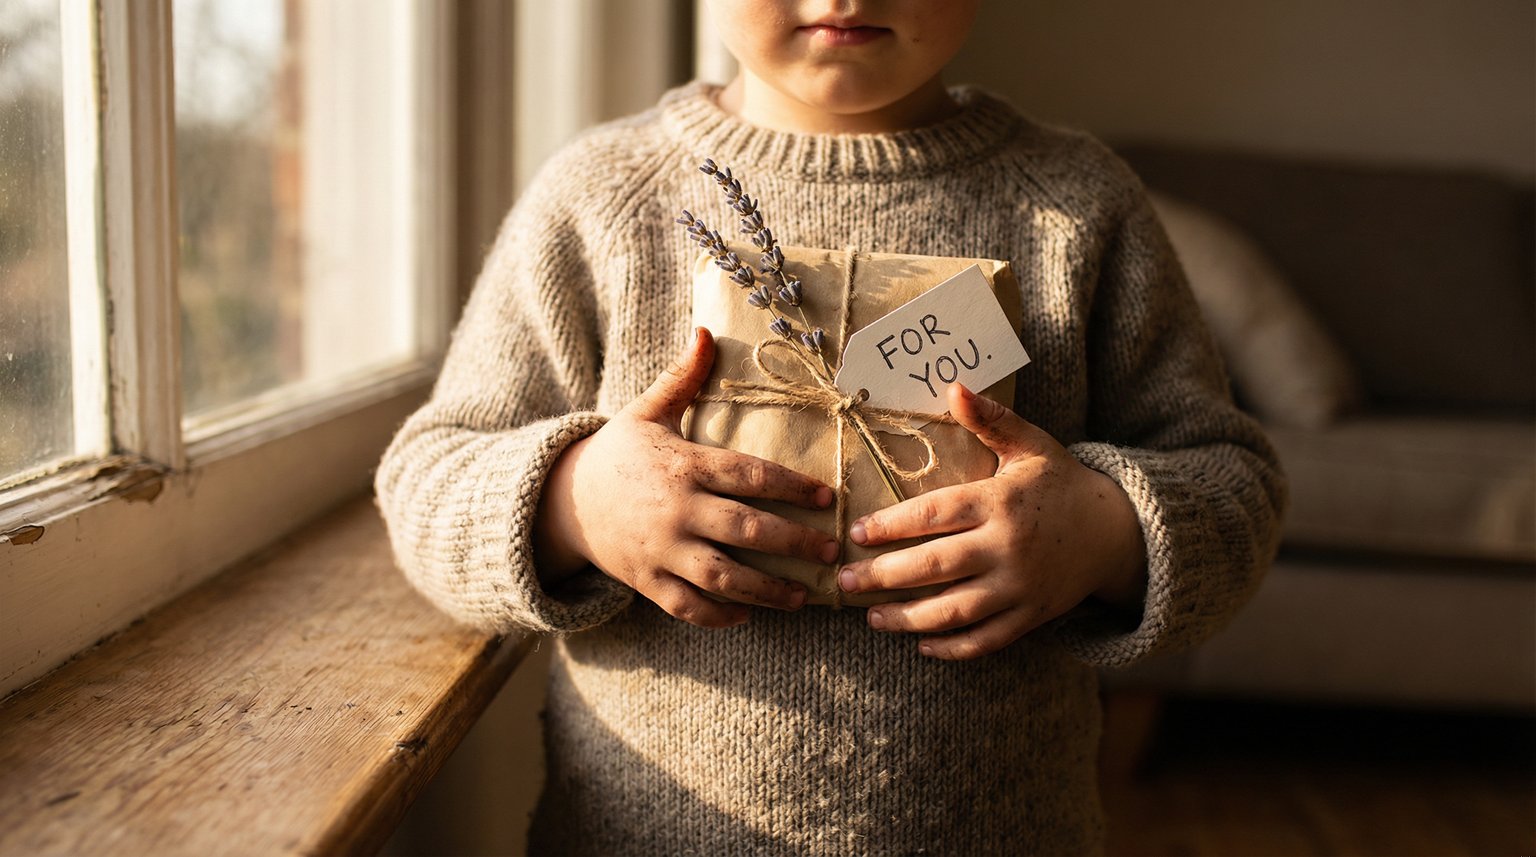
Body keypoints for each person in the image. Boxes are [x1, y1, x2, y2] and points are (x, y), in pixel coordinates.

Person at [375, 0, 1286, 852]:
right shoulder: (600, 197)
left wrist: (1102, 531)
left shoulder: (1079, 204)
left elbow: (1232, 486)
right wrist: (577, 500)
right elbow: (428, 476)